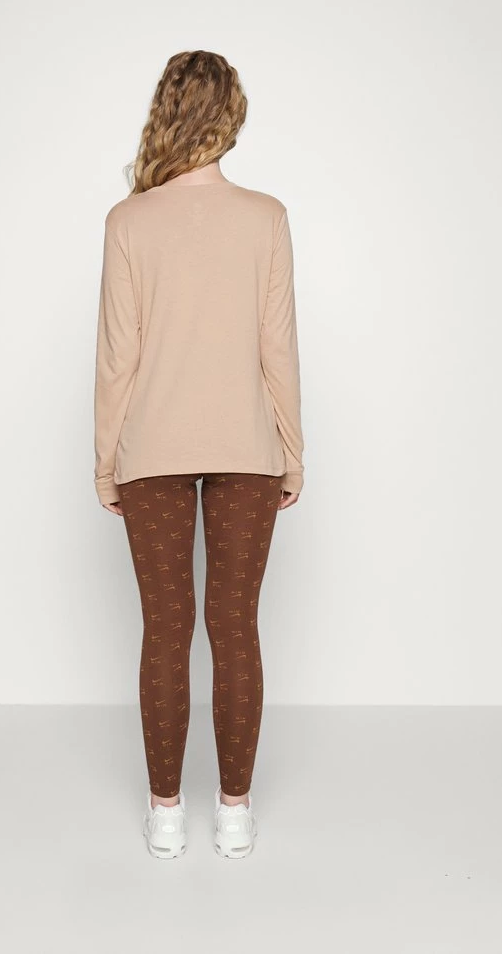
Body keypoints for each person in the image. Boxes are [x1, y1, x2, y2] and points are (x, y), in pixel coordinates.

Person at [93, 50, 304, 859]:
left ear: (167, 111)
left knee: (165, 628)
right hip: (248, 445)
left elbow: (117, 357)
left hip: (151, 447)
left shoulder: (128, 222)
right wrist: (292, 449)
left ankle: (166, 812)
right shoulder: (266, 217)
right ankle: (236, 812)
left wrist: (105, 461)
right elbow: (277, 348)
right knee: (236, 625)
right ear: (232, 115)